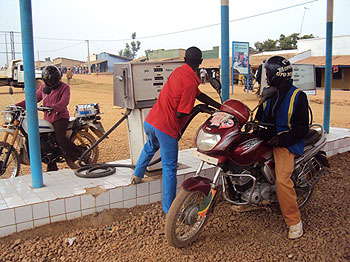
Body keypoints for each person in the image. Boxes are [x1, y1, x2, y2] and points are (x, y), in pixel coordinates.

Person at [130, 47, 221, 214]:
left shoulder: (179, 72)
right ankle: (169, 209)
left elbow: (198, 94)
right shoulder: (190, 82)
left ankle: (137, 174)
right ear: (201, 62)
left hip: (151, 121)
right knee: (169, 168)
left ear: (185, 59)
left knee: (150, 146)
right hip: (166, 128)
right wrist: (198, 109)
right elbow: (181, 112)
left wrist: (218, 106)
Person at [255, 56, 309, 239]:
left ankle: (294, 222)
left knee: (282, 181)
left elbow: (302, 128)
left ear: (275, 75)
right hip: (267, 138)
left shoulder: (298, 96)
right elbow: (259, 116)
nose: (266, 77)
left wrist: (282, 139)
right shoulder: (269, 93)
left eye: (268, 73)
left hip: (286, 143)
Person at [16, 65, 84, 171]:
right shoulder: (44, 88)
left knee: (60, 138)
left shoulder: (65, 87)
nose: (50, 83)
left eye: (52, 80)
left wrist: (53, 108)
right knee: (43, 139)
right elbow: (33, 99)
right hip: (48, 118)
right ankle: (51, 163)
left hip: (60, 117)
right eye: (48, 81)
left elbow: (64, 102)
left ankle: (80, 154)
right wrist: (18, 105)